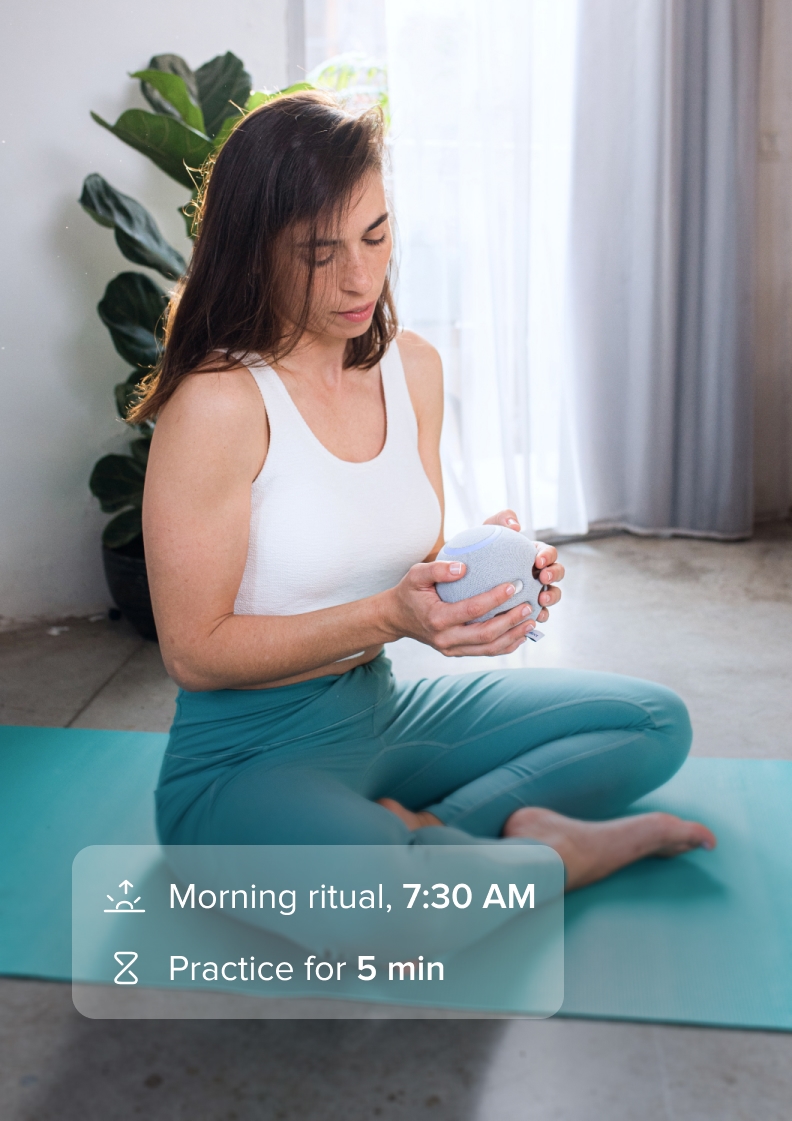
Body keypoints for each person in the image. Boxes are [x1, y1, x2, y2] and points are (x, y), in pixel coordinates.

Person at [137, 91, 715, 892]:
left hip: (380, 714)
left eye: (376, 235)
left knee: (654, 723)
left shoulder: (413, 368)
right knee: (407, 907)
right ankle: (508, 851)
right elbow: (193, 652)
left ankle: (446, 837)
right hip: (241, 758)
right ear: (254, 249)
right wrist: (387, 614)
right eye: (319, 252)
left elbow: (403, 557)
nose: (360, 275)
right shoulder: (219, 402)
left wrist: (487, 566)